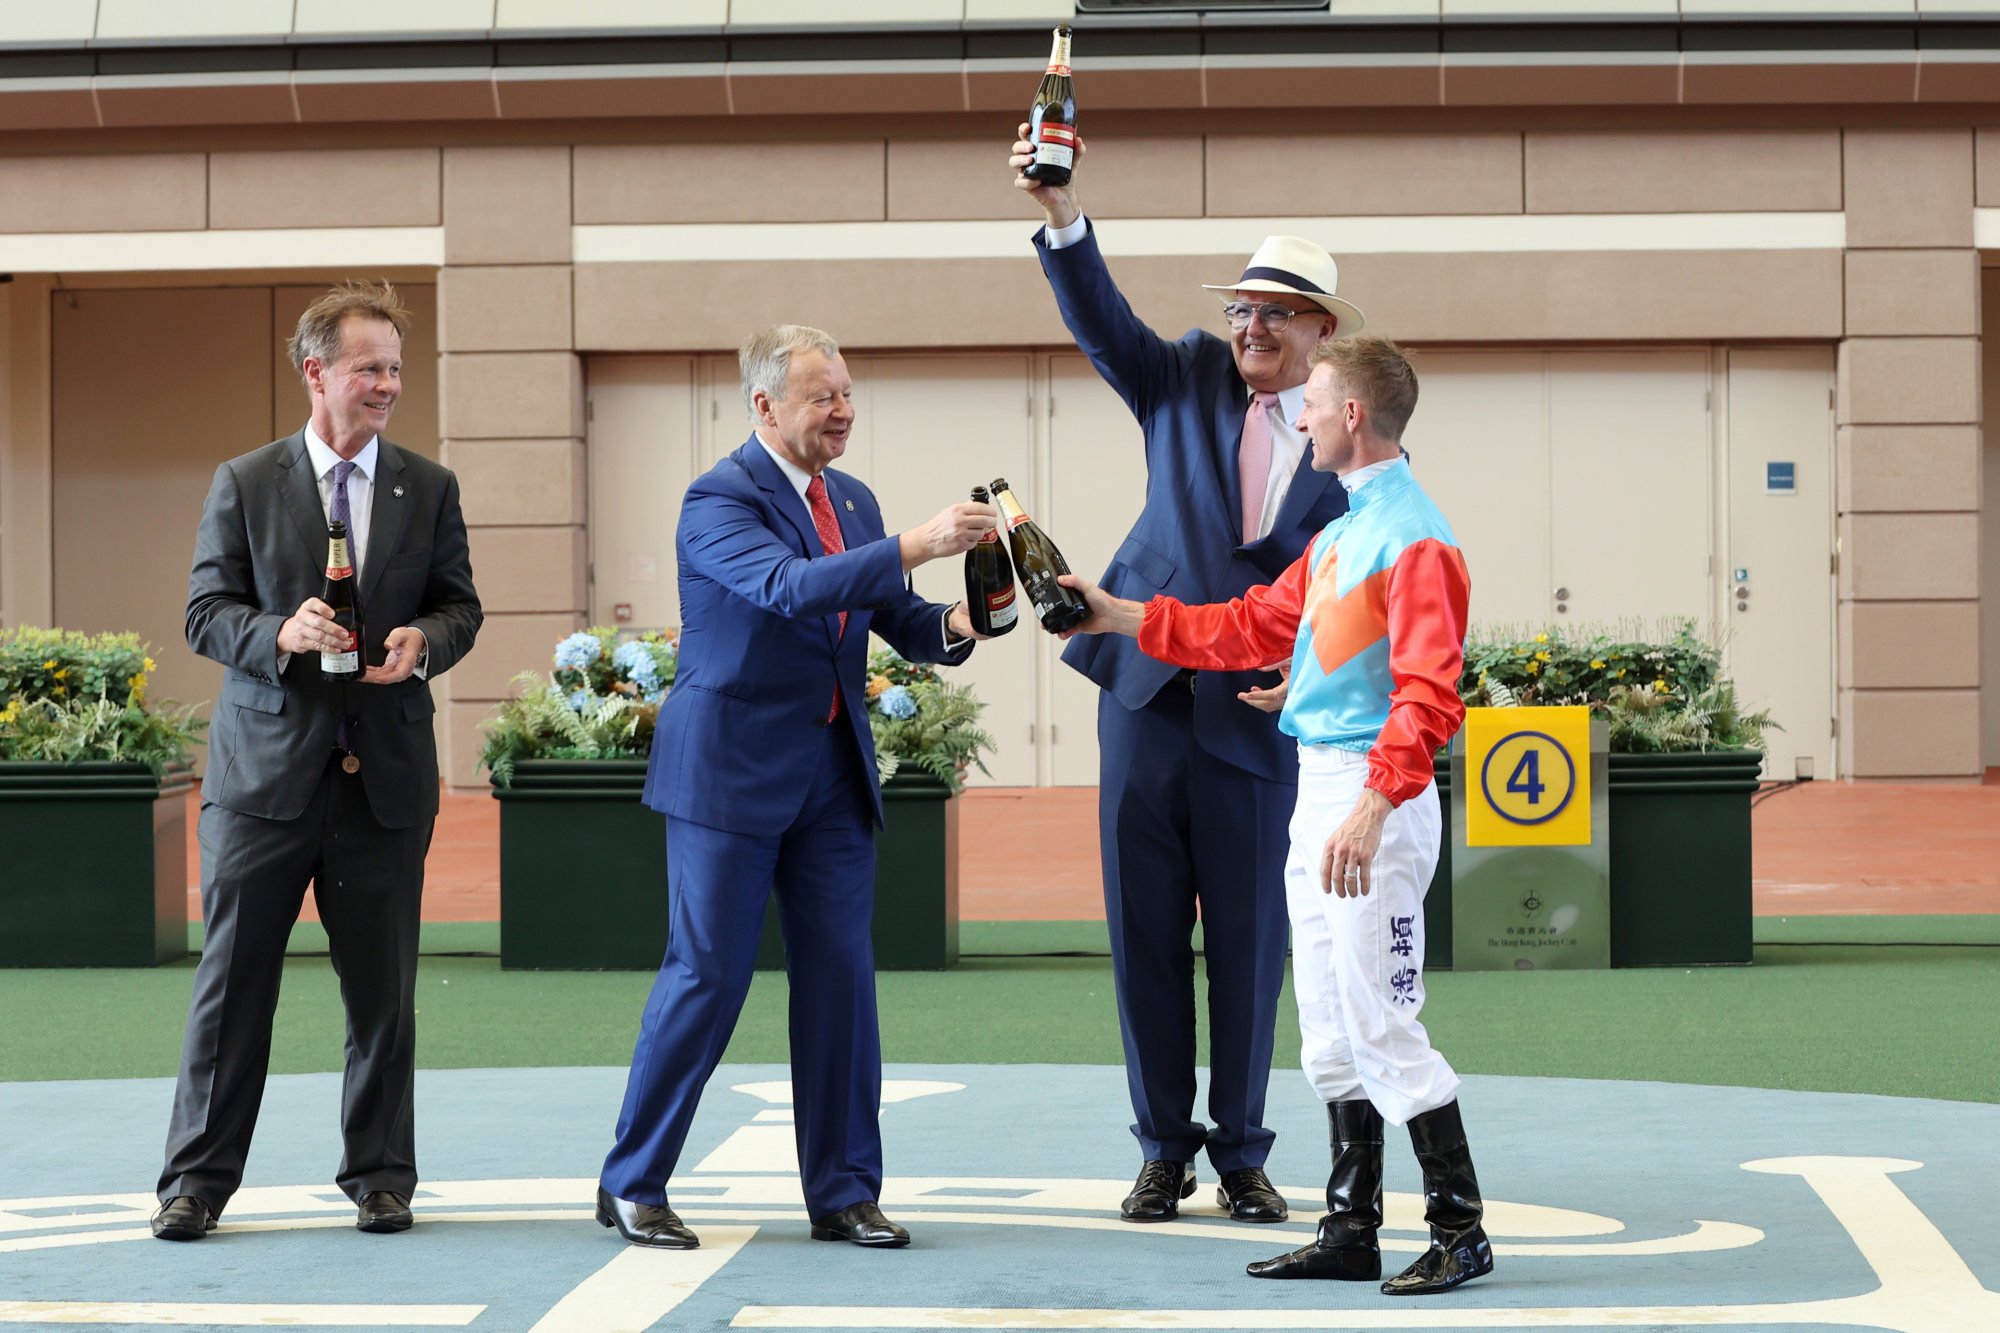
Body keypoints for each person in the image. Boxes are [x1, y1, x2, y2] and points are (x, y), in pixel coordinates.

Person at [1057, 334, 1493, 1297]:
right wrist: (1114, 615)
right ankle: (1352, 1226)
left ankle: (1460, 1230)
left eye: (1315, 401)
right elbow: (1250, 622)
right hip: (1323, 781)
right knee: (1329, 1033)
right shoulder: (1344, 533)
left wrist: (1376, 801)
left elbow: (1431, 692)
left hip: (1369, 797)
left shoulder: (1415, 537)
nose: (1298, 415)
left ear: (1349, 416)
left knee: (1382, 1020)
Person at [1009, 125, 1365, 1225]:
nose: (1248, 326)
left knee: (1253, 950)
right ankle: (1161, 1147)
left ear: (1320, 330)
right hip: (1147, 697)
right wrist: (1061, 213)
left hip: (1260, 722)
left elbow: (1352, 595)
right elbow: (1099, 319)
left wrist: (1306, 682)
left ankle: (1244, 1152)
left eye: (1273, 311)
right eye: (1239, 309)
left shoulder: (1351, 443)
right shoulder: (1181, 374)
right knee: (1146, 938)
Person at [596, 324, 994, 1253]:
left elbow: (902, 619)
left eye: (848, 392)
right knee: (706, 978)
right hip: (728, 775)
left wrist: (970, 616)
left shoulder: (850, 498)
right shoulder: (716, 498)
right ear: (766, 406)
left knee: (841, 983)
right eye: (823, 395)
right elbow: (787, 587)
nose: (843, 410)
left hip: (830, 775)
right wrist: (915, 542)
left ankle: (846, 1192)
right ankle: (633, 1181)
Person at [152, 281, 483, 1242]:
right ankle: (197, 1182)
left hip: (383, 780)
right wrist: (278, 631)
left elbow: (460, 605)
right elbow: (205, 612)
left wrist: (426, 637)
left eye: (395, 369)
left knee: (383, 991)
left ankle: (381, 1174)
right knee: (233, 985)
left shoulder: (430, 486)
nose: (386, 384)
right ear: (316, 372)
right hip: (263, 782)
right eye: (368, 367)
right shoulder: (245, 481)